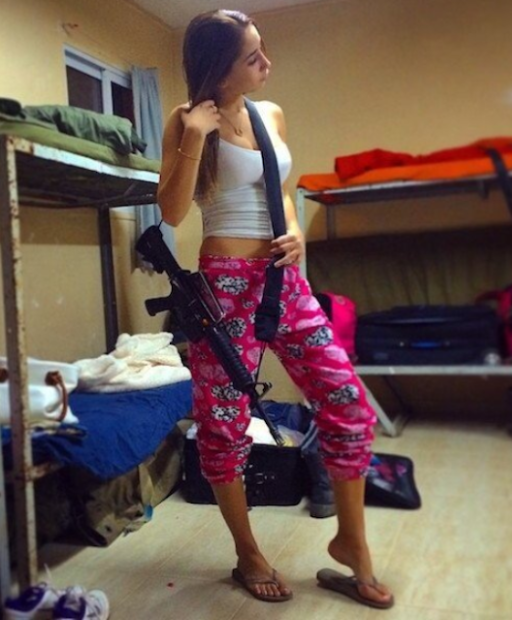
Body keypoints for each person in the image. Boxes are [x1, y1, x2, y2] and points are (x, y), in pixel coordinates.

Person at [157, 9, 394, 609]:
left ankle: (351, 543)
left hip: (283, 282)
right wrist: (195, 136)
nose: (267, 63)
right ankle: (248, 553)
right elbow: (173, 212)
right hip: (224, 287)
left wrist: (295, 232)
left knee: (347, 402)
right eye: (252, 57)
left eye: (262, 50)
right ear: (219, 69)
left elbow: (281, 194)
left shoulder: (271, 115)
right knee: (223, 425)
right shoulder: (186, 120)